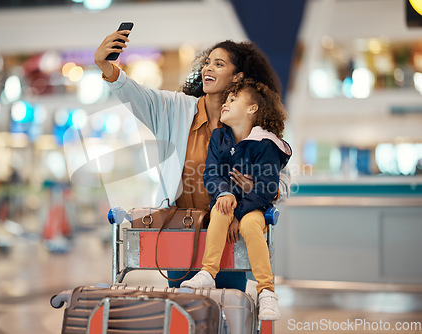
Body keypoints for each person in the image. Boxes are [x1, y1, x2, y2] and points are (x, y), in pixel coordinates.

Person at [94, 29, 288, 291]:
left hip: (231, 232)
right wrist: (107, 67)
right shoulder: (176, 110)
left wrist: (262, 189)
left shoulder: (254, 125)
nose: (208, 68)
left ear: (238, 76)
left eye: (219, 64)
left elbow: (281, 181)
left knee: (228, 312)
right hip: (182, 231)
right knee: (183, 314)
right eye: (207, 62)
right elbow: (138, 95)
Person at [180, 79, 291, 320]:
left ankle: (267, 291)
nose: (225, 103)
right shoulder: (220, 137)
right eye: (226, 99)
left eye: (233, 99)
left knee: (251, 225)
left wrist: (238, 215)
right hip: (228, 203)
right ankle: (208, 272)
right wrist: (225, 192)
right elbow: (211, 172)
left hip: (254, 206)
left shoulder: (266, 145)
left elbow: (267, 187)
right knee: (220, 209)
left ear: (252, 109)